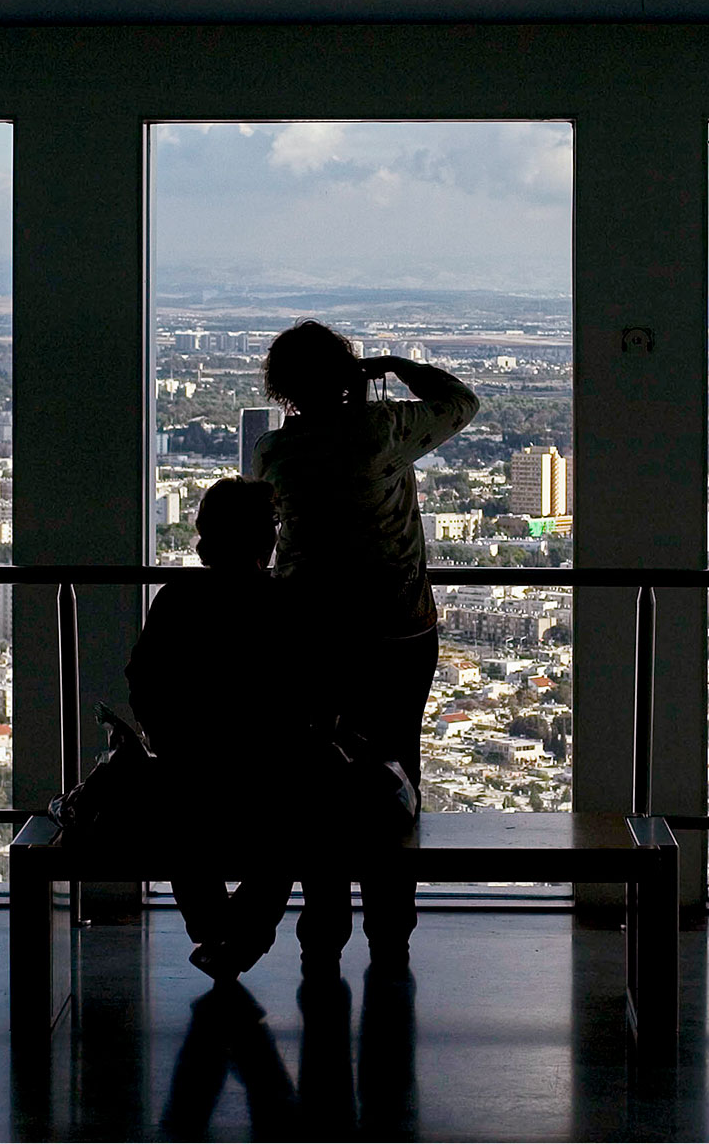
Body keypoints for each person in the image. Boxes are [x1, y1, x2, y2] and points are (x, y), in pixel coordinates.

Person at [250, 320, 479, 975]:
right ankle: (390, 927)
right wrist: (399, 364)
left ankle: (323, 930)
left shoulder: (272, 453)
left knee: (316, 773)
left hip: (311, 634)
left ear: (283, 387)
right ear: (347, 374)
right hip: (398, 630)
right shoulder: (381, 431)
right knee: (394, 771)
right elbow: (461, 402)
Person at [127, 476, 293, 983]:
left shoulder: (178, 599)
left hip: (191, 775)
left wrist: (165, 738)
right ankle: (239, 937)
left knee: (178, 816)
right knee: (293, 824)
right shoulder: (284, 605)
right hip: (269, 783)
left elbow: (144, 680)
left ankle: (218, 930)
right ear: (266, 539)